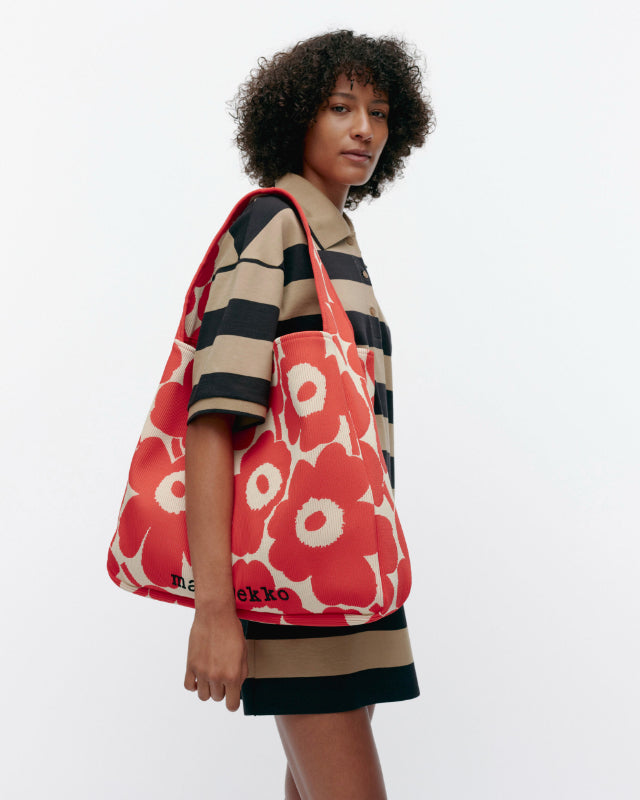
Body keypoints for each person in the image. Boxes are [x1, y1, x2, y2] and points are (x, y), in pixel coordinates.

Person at [183, 29, 435, 800]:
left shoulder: (335, 241)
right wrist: (215, 610)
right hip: (295, 581)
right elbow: (213, 416)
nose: (365, 129)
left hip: (351, 575)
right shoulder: (274, 225)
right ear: (297, 116)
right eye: (341, 107)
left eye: (379, 112)